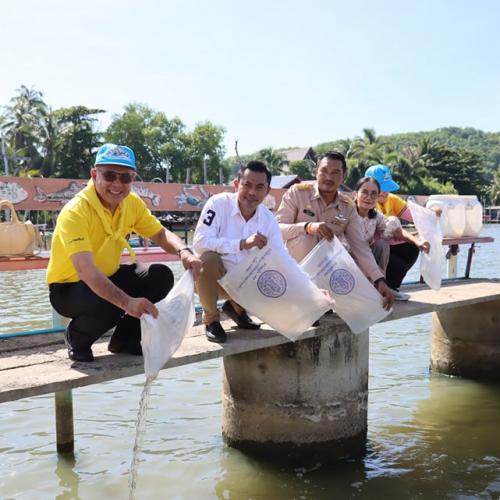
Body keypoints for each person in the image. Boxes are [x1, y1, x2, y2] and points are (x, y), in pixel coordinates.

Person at [47, 143, 202, 362]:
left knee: (160, 276)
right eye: (110, 175)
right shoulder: (75, 211)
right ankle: (77, 337)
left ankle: (125, 340)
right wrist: (128, 303)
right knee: (111, 301)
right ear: (95, 175)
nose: (117, 184)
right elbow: (86, 270)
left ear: (133, 178)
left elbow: (160, 234)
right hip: (68, 289)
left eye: (126, 177)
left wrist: (184, 251)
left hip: (107, 275)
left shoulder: (131, 203)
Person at [276, 151, 394, 309]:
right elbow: (278, 230)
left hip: (328, 273)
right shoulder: (297, 193)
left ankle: (329, 298)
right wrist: (307, 227)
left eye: (335, 173)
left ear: (343, 176)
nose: (329, 177)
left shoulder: (347, 207)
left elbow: (360, 246)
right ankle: (305, 294)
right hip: (296, 271)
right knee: (307, 236)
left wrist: (380, 280)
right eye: (324, 171)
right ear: (316, 172)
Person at [193, 160, 286, 343]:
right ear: (236, 184)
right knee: (208, 259)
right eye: (247, 185)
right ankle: (211, 319)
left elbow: (283, 259)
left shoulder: (268, 219)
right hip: (213, 281)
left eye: (259, 187)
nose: (252, 192)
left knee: (275, 272)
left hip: (244, 283)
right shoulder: (217, 204)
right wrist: (242, 244)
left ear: (267, 191)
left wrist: (310, 291)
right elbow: (200, 242)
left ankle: (236, 308)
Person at [364, 164, 438, 299]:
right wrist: (415, 240)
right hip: (370, 250)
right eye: (381, 188)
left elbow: (414, 216)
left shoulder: (391, 199)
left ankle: (391, 287)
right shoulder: (368, 204)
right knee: (395, 260)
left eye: (387, 188)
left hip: (386, 243)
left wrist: (432, 214)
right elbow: (392, 231)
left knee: (411, 248)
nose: (385, 192)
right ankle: (379, 286)